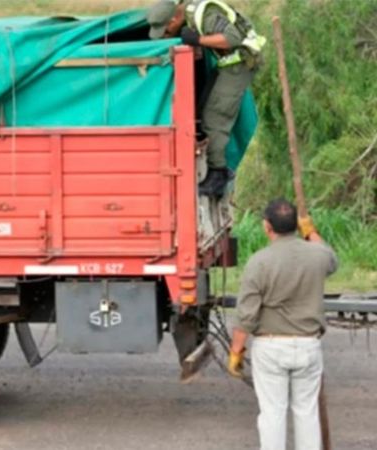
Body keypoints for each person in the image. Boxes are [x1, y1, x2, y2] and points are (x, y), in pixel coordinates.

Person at [228, 199, 337, 450]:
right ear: (297, 226)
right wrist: (312, 233)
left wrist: (236, 352)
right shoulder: (317, 254)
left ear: (267, 227)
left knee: (272, 414)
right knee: (306, 413)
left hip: (271, 347)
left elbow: (246, 316)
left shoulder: (259, 262)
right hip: (309, 345)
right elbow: (332, 260)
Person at [146, 0, 266, 196]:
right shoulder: (189, 15)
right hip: (228, 62)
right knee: (203, 108)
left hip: (240, 63)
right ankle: (214, 167)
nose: (167, 34)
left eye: (166, 30)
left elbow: (232, 38)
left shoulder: (204, 12)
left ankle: (218, 174)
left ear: (175, 18)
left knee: (214, 116)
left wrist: (198, 41)